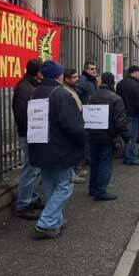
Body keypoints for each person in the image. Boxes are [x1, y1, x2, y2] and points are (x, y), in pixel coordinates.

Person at [29, 61, 86, 239]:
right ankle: (46, 223)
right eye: (61, 73)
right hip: (59, 148)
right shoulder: (60, 93)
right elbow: (72, 125)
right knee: (65, 186)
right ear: (58, 75)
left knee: (50, 185)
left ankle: (55, 221)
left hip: (40, 146)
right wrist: (83, 141)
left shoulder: (35, 91)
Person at [87, 72, 131, 201]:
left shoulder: (92, 97)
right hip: (108, 136)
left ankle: (93, 188)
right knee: (105, 163)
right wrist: (126, 137)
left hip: (92, 134)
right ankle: (101, 191)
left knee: (95, 162)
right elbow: (120, 121)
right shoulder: (116, 98)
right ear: (112, 82)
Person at [12, 58, 43, 220]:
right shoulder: (24, 88)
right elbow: (22, 114)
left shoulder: (31, 85)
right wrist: (31, 130)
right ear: (37, 72)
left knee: (35, 168)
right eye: (41, 71)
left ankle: (32, 198)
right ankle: (23, 204)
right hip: (29, 133)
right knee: (30, 169)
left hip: (34, 132)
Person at [116, 65, 139, 165]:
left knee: (126, 136)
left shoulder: (120, 84)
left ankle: (126, 155)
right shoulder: (136, 85)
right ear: (134, 73)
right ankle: (131, 158)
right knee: (132, 137)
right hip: (133, 114)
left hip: (122, 113)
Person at [63, 68, 87, 184]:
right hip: (72, 124)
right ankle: (72, 174)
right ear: (67, 79)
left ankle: (75, 171)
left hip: (77, 121)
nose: (77, 79)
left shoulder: (72, 89)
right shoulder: (65, 91)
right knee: (71, 151)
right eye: (74, 77)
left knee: (76, 149)